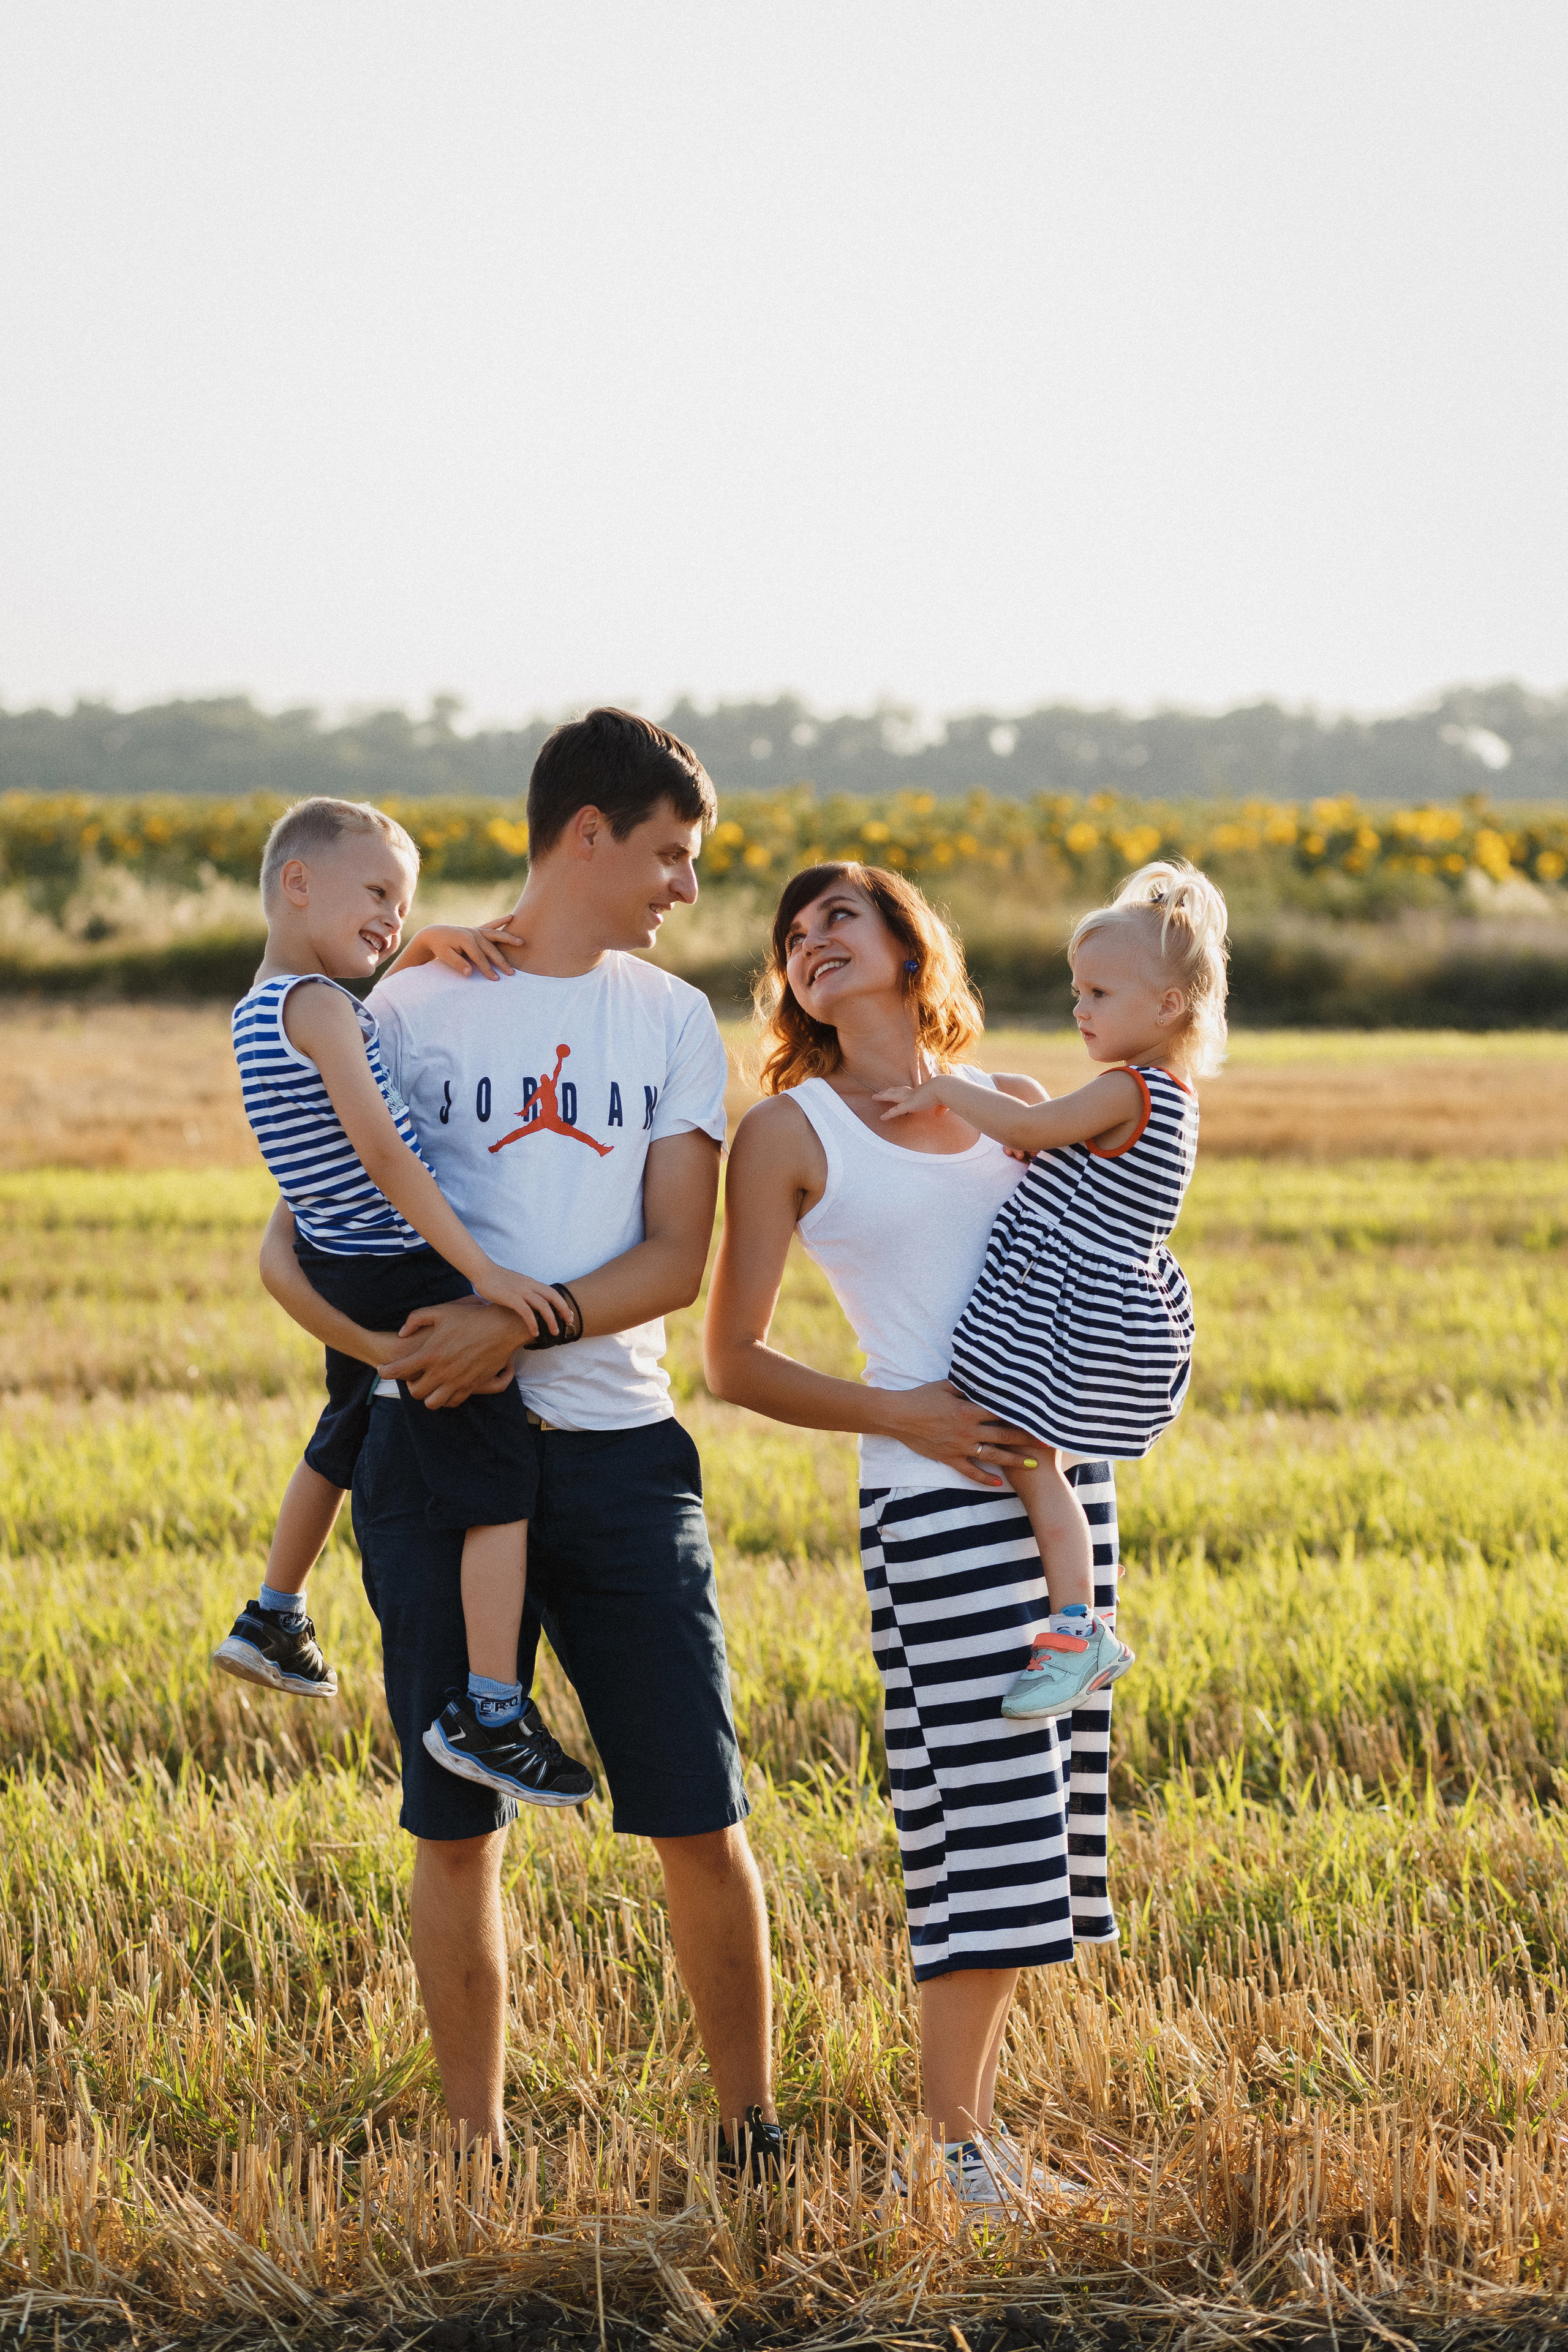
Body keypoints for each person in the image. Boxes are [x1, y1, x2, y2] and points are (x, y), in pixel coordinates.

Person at [256, 710, 779, 2169]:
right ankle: (473, 2151)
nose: (684, 886)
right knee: (453, 1820)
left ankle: (750, 2132)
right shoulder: (407, 1005)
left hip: (620, 1450)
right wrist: (384, 1357)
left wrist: (516, 1326)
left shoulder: (669, 1023)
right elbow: (304, 1220)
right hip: (434, 1453)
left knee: (696, 1808)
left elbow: (677, 1258)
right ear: (586, 834)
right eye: (669, 854)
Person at [704, 861, 1122, 2213]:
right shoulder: (792, 1130)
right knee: (978, 1826)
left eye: (839, 917)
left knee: (1036, 1829)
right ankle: (955, 2155)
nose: (811, 941)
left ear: (904, 943)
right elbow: (732, 1361)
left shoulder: (1005, 1102)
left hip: (1063, 1492)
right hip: (934, 1505)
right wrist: (913, 1417)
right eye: (792, 933)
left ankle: (975, 2144)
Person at [214, 794, 592, 1810]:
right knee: (500, 1481)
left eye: (405, 902)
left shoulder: (262, 1011)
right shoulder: (328, 1009)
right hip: (402, 1265)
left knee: (341, 1432)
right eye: (376, 893)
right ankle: (491, 1709)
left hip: (343, 1264)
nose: (392, 917)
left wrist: (416, 942)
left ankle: (274, 1612)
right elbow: (383, 1149)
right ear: (298, 884)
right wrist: (484, 1272)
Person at [875, 859, 1227, 1722]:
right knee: (1040, 1464)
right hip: (1103, 1310)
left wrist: (946, 1087)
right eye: (1078, 992)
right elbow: (1067, 1162)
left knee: (1033, 1461)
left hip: (1078, 1319)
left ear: (1168, 1007)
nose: (1081, 1009)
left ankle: (1080, 1629)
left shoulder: (1125, 1088)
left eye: (1100, 993)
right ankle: (1078, 1623)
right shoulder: (1168, 1095)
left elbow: (1032, 1127)